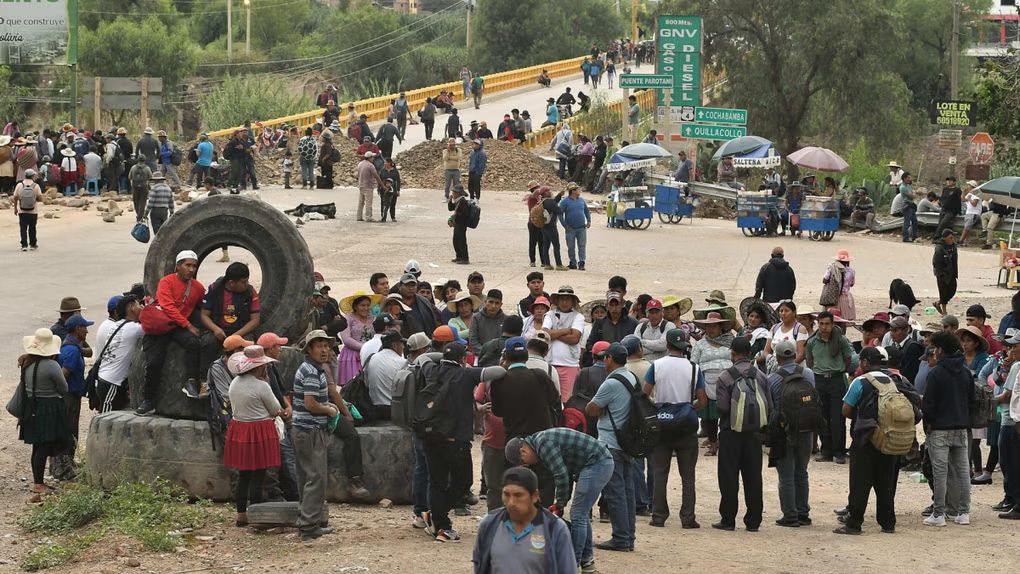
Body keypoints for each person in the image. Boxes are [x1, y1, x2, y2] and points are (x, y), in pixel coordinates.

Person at [421, 343, 505, 542]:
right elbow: (499, 371)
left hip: (431, 436)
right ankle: (438, 516)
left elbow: (423, 358)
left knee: (437, 482)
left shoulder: (432, 370)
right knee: (463, 483)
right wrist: (467, 369)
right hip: (456, 438)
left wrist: (441, 357)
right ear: (462, 360)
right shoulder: (467, 375)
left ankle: (439, 523)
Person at [834, 347, 922, 535]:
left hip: (865, 439)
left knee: (860, 482)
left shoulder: (860, 381)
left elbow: (846, 410)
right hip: (891, 438)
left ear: (865, 362)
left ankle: (854, 523)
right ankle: (888, 523)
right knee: (886, 482)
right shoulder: (897, 380)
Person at [504, 432, 612, 574]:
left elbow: (560, 474)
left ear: (523, 450)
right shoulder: (540, 442)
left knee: (578, 514)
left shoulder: (544, 444)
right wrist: (560, 503)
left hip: (597, 462)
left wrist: (560, 503)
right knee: (582, 513)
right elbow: (565, 473)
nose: (526, 464)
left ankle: (573, 564)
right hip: (599, 461)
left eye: (523, 461)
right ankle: (587, 562)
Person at [643, 329, 707, 528]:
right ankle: (688, 517)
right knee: (688, 475)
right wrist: (688, 408)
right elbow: (703, 400)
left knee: (660, 472)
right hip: (686, 428)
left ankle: (659, 515)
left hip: (662, 427)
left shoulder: (657, 366)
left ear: (667, 345)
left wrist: (658, 406)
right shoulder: (694, 368)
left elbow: (644, 394)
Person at [712, 337, 772, 532]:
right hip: (754, 434)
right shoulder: (761, 376)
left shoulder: (725, 377)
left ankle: (728, 520)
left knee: (728, 476)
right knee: (753, 477)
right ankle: (753, 521)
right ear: (749, 353)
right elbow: (769, 405)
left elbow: (721, 407)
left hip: (731, 432)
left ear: (733, 353)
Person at [137, 250, 206, 415]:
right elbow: (168, 307)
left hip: (178, 327)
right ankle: (148, 400)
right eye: (188, 265)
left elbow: (204, 306)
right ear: (178, 266)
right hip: (162, 325)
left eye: (194, 266)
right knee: (153, 362)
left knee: (193, 343)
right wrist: (188, 325)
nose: (191, 269)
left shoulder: (197, 287)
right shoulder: (166, 282)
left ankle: (191, 381)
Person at [472, 467, 576, 574]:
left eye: (518, 495)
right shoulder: (490, 523)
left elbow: (567, 569)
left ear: (535, 496)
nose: (511, 502)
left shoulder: (554, 528)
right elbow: (479, 563)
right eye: (506, 494)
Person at [585, 343, 638, 551]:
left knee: (615, 493)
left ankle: (621, 538)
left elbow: (591, 408)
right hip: (627, 442)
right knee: (628, 492)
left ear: (608, 359)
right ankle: (629, 536)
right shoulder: (631, 377)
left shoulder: (611, 382)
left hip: (610, 442)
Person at [224, 345, 283, 527]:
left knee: (244, 474)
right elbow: (275, 410)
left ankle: (241, 515)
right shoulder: (261, 386)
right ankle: (256, 514)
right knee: (259, 474)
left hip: (239, 428)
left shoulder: (234, 383)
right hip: (259, 429)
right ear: (260, 366)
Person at [290, 331, 340, 540]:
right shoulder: (311, 371)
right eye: (319, 346)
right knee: (316, 477)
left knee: (306, 477)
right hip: (310, 429)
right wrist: (328, 410)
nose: (324, 350)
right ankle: (309, 525)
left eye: (326, 346)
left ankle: (307, 521)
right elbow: (310, 404)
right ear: (309, 350)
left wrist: (325, 405)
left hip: (303, 429)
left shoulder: (313, 369)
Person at [767, 340, 816, 526]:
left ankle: (790, 515)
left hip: (783, 430)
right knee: (801, 472)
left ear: (778, 357)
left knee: (786, 475)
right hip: (806, 427)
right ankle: (803, 513)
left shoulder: (772, 378)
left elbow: (771, 405)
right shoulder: (809, 374)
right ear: (794, 355)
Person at [18, 328, 70, 494]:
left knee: (37, 446)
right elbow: (64, 388)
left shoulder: (26, 364)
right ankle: (38, 485)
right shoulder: (51, 365)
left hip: (32, 406)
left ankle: (38, 481)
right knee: (44, 446)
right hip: (49, 407)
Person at [805, 311, 852, 463]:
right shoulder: (812, 342)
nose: (824, 327)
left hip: (836, 380)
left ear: (832, 325)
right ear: (818, 324)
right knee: (822, 416)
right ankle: (826, 450)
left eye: (827, 324)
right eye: (821, 324)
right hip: (819, 380)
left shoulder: (841, 340)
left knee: (838, 417)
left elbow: (848, 360)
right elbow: (810, 362)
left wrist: (835, 369)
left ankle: (839, 452)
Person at [199, 261, 261, 368]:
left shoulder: (250, 292)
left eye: (247, 281)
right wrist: (215, 329)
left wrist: (237, 335)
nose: (246, 285)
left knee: (248, 346)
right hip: (219, 330)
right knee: (208, 343)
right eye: (243, 282)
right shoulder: (214, 289)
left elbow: (255, 320)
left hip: (241, 330)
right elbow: (204, 315)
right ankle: (206, 378)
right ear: (232, 283)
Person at [53, 313, 92, 480]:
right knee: (68, 433)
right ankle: (63, 470)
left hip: (69, 396)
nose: (87, 331)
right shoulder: (72, 351)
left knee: (68, 432)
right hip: (69, 397)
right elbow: (63, 377)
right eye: (85, 328)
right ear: (78, 329)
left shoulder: (71, 345)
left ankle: (64, 466)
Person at [691, 311, 735, 458]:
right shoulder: (700, 344)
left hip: (728, 381)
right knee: (710, 417)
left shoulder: (730, 341)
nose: (711, 329)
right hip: (707, 381)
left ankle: (726, 443)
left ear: (721, 326)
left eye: (714, 325)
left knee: (727, 415)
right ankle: (713, 444)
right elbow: (693, 364)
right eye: (708, 326)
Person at [95, 295, 144, 413]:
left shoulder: (117, 325)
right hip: (112, 382)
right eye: (139, 304)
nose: (142, 307)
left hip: (105, 378)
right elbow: (154, 326)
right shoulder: (134, 328)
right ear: (131, 307)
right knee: (106, 418)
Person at [559, 183, 591, 270]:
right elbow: (560, 214)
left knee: (582, 246)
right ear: (573, 191)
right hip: (570, 229)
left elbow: (586, 211)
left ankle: (582, 263)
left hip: (581, 228)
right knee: (571, 247)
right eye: (578, 189)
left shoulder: (581, 200)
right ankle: (573, 262)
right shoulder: (565, 202)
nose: (579, 191)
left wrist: (589, 220)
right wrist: (564, 225)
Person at [13, 168, 43, 251]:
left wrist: (15, 208)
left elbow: (15, 197)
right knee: (32, 228)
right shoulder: (36, 186)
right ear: (33, 176)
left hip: (22, 211)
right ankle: (33, 244)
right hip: (33, 211)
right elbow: (40, 198)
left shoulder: (19, 185)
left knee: (23, 228)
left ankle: (24, 245)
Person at [823, 249, 857, 321]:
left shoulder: (831, 268)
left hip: (833, 296)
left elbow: (824, 280)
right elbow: (852, 284)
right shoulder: (851, 271)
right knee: (843, 320)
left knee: (831, 319)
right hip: (845, 297)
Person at [933, 228, 959, 316]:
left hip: (952, 272)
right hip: (942, 274)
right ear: (945, 238)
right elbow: (936, 262)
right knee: (943, 291)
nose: (953, 239)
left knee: (952, 290)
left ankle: (938, 302)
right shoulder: (939, 248)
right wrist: (941, 273)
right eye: (951, 237)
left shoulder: (953, 246)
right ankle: (944, 311)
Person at [933, 175, 963, 241]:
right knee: (940, 223)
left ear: (954, 182)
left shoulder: (957, 190)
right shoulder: (945, 189)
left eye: (950, 181)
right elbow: (942, 198)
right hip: (944, 209)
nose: (948, 182)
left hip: (952, 211)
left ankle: (936, 237)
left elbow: (960, 200)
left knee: (943, 223)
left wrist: (959, 210)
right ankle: (941, 238)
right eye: (948, 181)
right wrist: (939, 203)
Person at [356, 152, 383, 222]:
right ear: (370, 157)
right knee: (368, 202)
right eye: (372, 157)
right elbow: (376, 176)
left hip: (361, 185)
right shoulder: (370, 166)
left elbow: (358, 175)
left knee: (361, 202)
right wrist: (382, 185)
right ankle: (368, 217)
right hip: (368, 186)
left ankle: (359, 216)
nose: (373, 159)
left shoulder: (360, 164)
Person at [449, 185, 472, 264]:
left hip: (461, 224)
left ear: (458, 193)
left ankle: (465, 258)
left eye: (454, 192)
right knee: (456, 240)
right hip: (457, 223)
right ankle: (459, 256)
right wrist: (450, 200)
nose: (453, 193)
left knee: (461, 240)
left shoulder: (462, 201)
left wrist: (456, 215)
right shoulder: (457, 200)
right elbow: (450, 208)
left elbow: (465, 213)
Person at [960, 182, 983, 246]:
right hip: (968, 213)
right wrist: (963, 192)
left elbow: (974, 204)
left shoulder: (977, 194)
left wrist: (969, 199)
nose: (967, 186)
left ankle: (960, 241)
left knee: (966, 228)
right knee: (966, 227)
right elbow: (963, 200)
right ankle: (965, 242)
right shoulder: (970, 194)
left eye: (969, 185)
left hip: (974, 213)